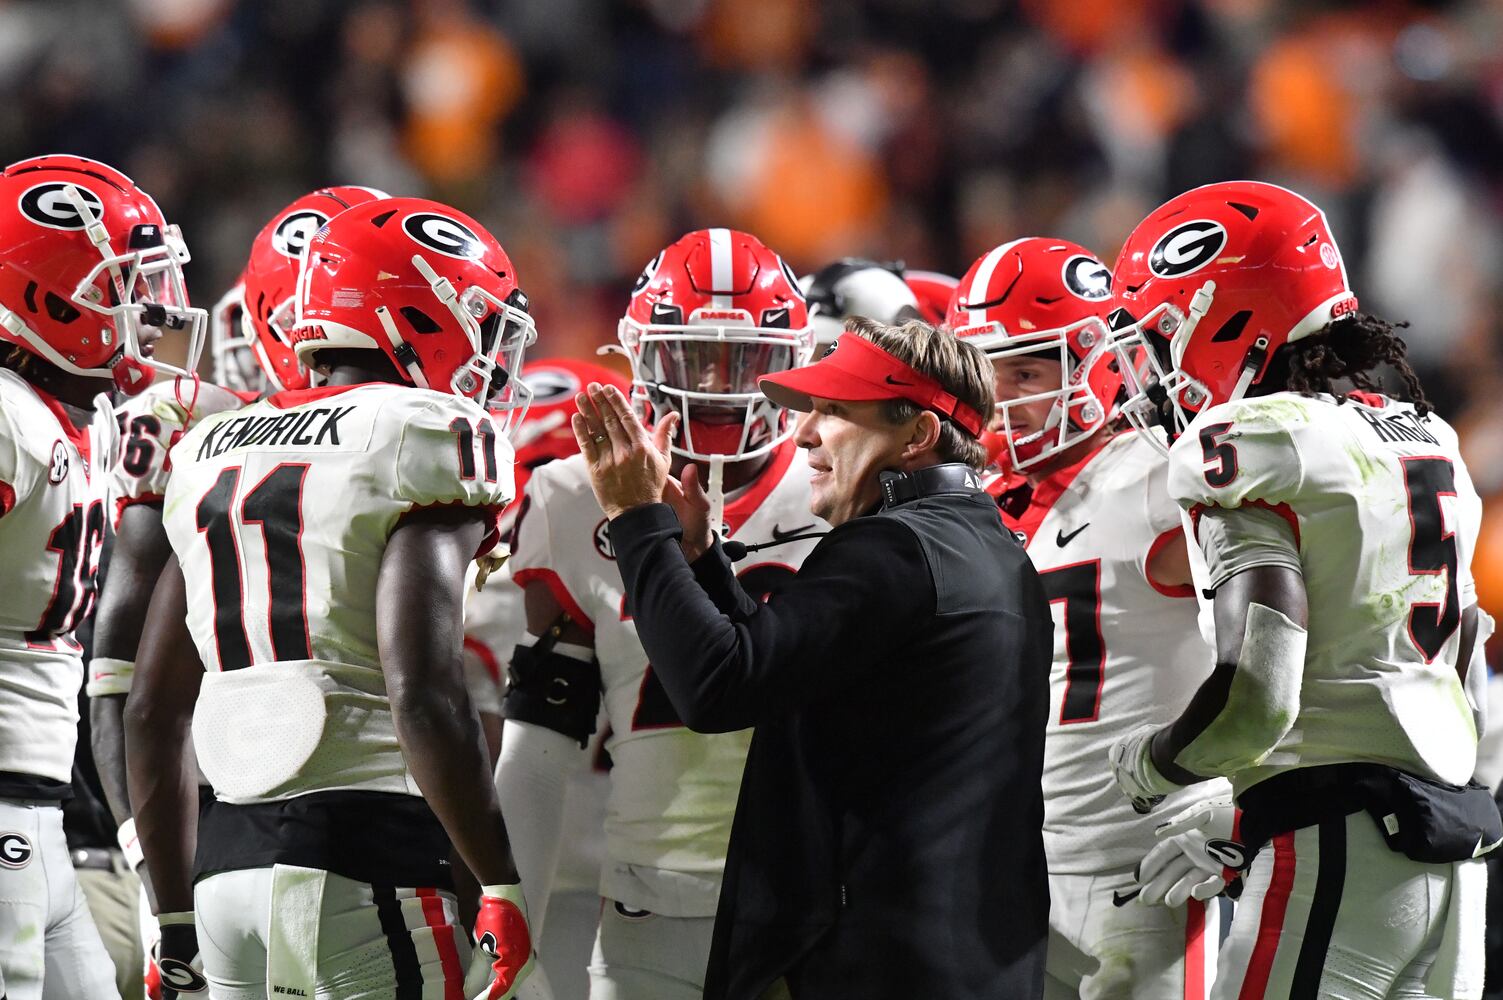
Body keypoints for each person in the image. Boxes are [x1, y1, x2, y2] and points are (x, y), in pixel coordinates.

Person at [123, 196, 538, 1000]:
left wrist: (172, 916)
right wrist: (497, 878)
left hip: (223, 868)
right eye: (482, 327)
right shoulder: (423, 429)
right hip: (365, 850)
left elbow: (150, 709)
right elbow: (422, 693)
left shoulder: (206, 446)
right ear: (420, 317)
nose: (490, 358)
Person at [572, 316, 1053, 1000]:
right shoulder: (991, 547)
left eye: (833, 410)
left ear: (917, 434)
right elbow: (782, 671)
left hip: (876, 961)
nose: (802, 433)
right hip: (970, 957)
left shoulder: (891, 547)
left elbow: (717, 687)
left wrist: (635, 522)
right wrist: (701, 562)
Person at [1105, 180, 1497, 999]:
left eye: (1162, 336)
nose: (1151, 370)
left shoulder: (1246, 441)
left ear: (1225, 319)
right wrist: (1249, 808)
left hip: (1335, 848)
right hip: (1451, 849)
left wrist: (1155, 766)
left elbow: (1259, 690)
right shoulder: (1425, 436)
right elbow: (1467, 674)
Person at [495, 228, 826, 1000]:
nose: (715, 384)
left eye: (741, 359)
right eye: (692, 357)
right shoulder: (570, 495)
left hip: (813, 894)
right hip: (648, 894)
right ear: (641, 356)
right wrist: (511, 913)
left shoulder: (840, 483)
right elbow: (540, 738)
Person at [87, 185, 388, 992]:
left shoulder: (379, 437)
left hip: (333, 815)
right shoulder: (199, 428)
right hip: (214, 823)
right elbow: (121, 683)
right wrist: (157, 880)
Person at [949, 236, 1233, 998]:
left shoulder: (1161, 482)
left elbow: (1278, 651)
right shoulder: (976, 503)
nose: (1001, 397)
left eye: (1026, 371)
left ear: (1097, 362)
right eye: (985, 371)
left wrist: (1239, 800)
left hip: (1141, 868)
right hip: (1007, 869)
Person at [0, 153, 203, 1000]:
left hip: (40, 810)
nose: (153, 312)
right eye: (125, 286)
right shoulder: (8, 418)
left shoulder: (79, 419)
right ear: (46, 298)